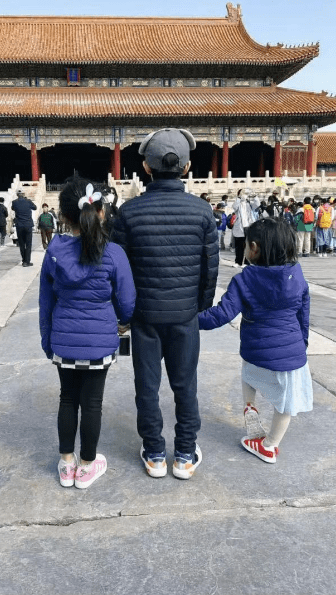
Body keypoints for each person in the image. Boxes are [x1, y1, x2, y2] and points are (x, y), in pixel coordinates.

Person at [112, 128, 219, 480]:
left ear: (146, 167)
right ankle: (185, 454)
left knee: (147, 386)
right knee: (185, 385)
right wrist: (197, 307)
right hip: (184, 315)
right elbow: (209, 270)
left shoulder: (128, 212)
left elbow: (120, 272)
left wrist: (124, 315)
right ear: (186, 168)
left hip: (144, 317)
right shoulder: (203, 212)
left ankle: (155, 453)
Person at [40, 176, 136, 489]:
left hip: (64, 342)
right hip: (99, 343)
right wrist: (121, 322)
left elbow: (46, 303)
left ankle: (66, 464)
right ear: (103, 213)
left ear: (64, 217)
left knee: (67, 399)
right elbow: (127, 303)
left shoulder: (53, 252)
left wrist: (48, 342)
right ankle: (86, 465)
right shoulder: (114, 254)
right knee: (92, 404)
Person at [199, 218, 312, 464]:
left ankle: (250, 406)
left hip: (255, 349)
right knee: (286, 403)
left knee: (248, 374)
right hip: (291, 350)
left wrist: (189, 319)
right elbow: (304, 313)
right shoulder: (297, 274)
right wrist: (302, 343)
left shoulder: (246, 278)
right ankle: (270, 445)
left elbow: (222, 315)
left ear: (255, 247)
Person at [232, 189, 260, 267]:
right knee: (239, 246)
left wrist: (255, 196)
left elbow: (257, 204)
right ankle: (238, 262)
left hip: (248, 226)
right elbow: (234, 207)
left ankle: (247, 262)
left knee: (248, 245)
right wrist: (239, 198)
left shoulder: (249, 203)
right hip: (240, 227)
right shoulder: (238, 203)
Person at [11, 189, 37, 266]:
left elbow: (13, 208)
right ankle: (27, 261)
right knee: (28, 244)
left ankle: (24, 261)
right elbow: (35, 207)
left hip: (19, 225)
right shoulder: (28, 201)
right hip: (28, 224)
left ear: (17, 195)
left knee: (21, 244)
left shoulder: (14, 202)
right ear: (24, 194)